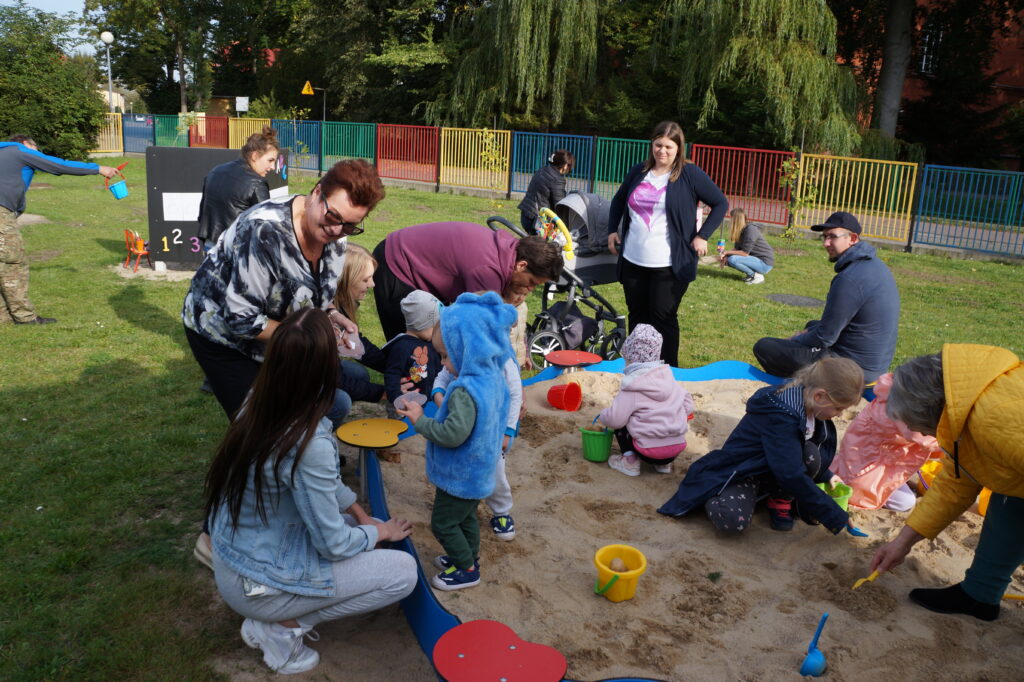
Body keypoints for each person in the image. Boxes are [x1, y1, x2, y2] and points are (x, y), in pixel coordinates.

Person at [204, 308, 417, 674]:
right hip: (258, 585)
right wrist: (379, 531)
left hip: (238, 557)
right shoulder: (307, 440)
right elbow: (331, 545)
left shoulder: (262, 398)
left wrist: (361, 516)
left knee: (352, 530)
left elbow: (318, 485)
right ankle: (282, 628)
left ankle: (279, 615)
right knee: (403, 572)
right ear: (324, 369)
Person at [182, 159, 385, 422]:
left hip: (275, 335)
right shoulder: (264, 230)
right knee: (256, 426)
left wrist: (333, 315)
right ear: (316, 192)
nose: (337, 230)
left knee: (290, 417)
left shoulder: (336, 233)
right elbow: (240, 320)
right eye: (334, 217)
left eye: (349, 225)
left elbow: (317, 294)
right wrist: (311, 337)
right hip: (221, 335)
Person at [871, 345, 1024, 622]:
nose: (922, 434)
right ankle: (979, 596)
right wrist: (903, 543)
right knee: (1009, 496)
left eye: (919, 428)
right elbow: (956, 483)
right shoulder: (965, 408)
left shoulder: (992, 418)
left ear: (929, 411)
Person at [658, 357, 865, 534]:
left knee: (811, 455)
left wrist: (826, 476)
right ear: (819, 395)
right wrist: (833, 514)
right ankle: (717, 495)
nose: (838, 415)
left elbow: (798, 453)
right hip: (744, 471)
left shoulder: (811, 405)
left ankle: (778, 499)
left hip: (773, 469)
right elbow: (791, 473)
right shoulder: (783, 417)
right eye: (838, 408)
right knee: (732, 521)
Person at [396, 292, 517, 590]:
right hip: (481, 467)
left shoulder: (465, 391)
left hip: (461, 472)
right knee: (466, 519)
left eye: (447, 356)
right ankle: (468, 556)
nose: (445, 364)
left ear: (469, 350)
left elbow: (452, 434)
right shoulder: (494, 378)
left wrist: (419, 420)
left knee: (444, 522)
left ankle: (466, 570)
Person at [606, 121, 728, 367]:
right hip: (633, 260)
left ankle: (669, 372)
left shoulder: (689, 174)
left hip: (668, 265)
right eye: (658, 145)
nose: (662, 151)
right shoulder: (639, 171)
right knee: (638, 318)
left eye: (668, 147)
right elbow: (619, 199)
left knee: (663, 319)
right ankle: (638, 368)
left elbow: (720, 203)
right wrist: (611, 230)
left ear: (679, 148)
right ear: (652, 144)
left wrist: (702, 235)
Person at [752, 211, 899, 384]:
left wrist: (796, 338)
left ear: (852, 238)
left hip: (853, 370)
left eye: (832, 237)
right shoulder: (873, 265)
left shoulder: (850, 278)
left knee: (765, 347)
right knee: (812, 325)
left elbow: (825, 337)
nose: (826, 243)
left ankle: (803, 386)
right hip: (874, 364)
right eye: (824, 237)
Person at [372, 221, 563, 341]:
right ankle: (401, 399)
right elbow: (481, 329)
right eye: (532, 282)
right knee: (411, 348)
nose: (529, 289)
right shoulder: (487, 270)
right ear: (521, 265)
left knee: (433, 346)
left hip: (418, 264)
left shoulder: (509, 250)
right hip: (396, 263)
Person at [0, 135, 117, 324]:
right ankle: (24, 317)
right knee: (13, 264)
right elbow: (58, 165)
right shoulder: (18, 151)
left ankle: (3, 316)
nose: (38, 152)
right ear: (26, 144)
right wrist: (98, 168)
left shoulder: (4, 155)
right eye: (36, 146)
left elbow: (15, 195)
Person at [432, 333, 522, 542]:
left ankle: (501, 512)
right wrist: (439, 396)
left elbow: (515, 392)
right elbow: (442, 377)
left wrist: (508, 431)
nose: (443, 362)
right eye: (442, 356)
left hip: (492, 431)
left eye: (446, 356)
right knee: (463, 468)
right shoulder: (455, 357)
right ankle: (465, 508)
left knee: (494, 472)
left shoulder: (501, 359)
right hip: (463, 427)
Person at [596, 324, 694, 477]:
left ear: (630, 359)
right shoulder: (671, 381)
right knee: (669, 415)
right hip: (676, 449)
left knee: (622, 424)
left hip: (648, 451)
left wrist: (603, 415)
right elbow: (688, 405)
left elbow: (615, 419)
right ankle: (663, 465)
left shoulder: (632, 387)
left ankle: (630, 462)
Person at [196, 126, 280, 251]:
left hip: (211, 244)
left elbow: (203, 212)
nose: (273, 167)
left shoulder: (215, 170)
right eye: (270, 160)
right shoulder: (256, 182)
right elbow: (266, 226)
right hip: (236, 249)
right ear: (255, 155)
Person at [332, 243, 387, 403]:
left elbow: (356, 345)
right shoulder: (325, 317)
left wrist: (396, 366)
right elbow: (334, 378)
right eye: (365, 279)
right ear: (345, 280)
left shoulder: (339, 308)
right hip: (296, 377)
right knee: (341, 402)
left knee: (359, 374)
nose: (372, 285)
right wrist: (383, 393)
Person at [383, 290, 443, 405]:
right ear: (423, 324)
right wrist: (396, 397)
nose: (437, 330)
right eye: (435, 326)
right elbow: (392, 374)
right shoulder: (402, 347)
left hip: (432, 402)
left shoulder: (430, 343)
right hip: (407, 404)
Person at [517, 149, 575, 234]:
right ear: (565, 165)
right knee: (547, 245)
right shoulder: (557, 179)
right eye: (569, 166)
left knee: (533, 244)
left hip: (526, 215)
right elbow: (560, 205)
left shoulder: (542, 170)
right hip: (538, 221)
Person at [720, 208, 775, 284]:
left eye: (731, 218)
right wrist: (725, 255)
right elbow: (737, 249)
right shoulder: (740, 230)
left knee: (732, 260)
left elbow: (744, 253)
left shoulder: (750, 230)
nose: (730, 221)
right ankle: (751, 276)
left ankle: (755, 276)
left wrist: (726, 252)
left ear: (736, 220)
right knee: (729, 259)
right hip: (755, 259)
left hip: (764, 263)